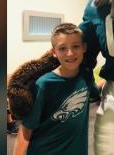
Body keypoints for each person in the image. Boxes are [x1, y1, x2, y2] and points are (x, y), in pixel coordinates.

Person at [13, 23, 98, 155]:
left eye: (75, 46)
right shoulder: (44, 84)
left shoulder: (86, 74)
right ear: (54, 52)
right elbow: (26, 129)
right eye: (62, 48)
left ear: (84, 48)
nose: (70, 53)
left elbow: (94, 92)